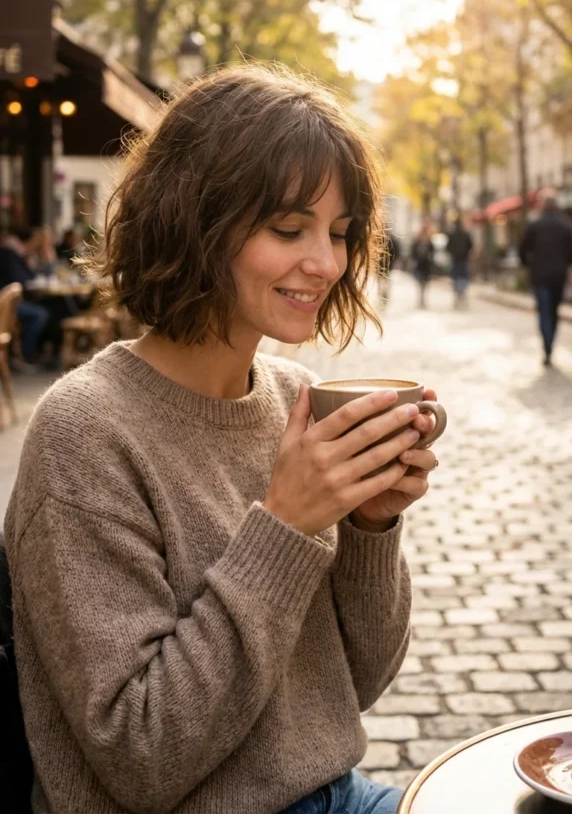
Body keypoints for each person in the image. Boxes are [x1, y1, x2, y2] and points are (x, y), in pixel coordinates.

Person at [5, 67, 441, 814]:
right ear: (195, 219)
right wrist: (286, 525)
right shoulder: (85, 433)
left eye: (339, 234)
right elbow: (140, 756)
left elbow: (353, 685)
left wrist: (370, 525)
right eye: (288, 228)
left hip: (334, 794)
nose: (328, 264)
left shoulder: (286, 401)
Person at [519, 189, 572, 366]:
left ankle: (547, 345)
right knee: (554, 311)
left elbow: (523, 249)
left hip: (540, 276)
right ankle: (550, 344)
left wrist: (527, 265)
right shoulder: (565, 225)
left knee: (544, 312)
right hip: (558, 275)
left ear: (543, 205)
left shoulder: (535, 225)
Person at [0, 232, 49, 364]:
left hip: (18, 300)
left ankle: (37, 352)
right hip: (8, 305)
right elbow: (21, 279)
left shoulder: (24, 256)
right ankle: (24, 355)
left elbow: (32, 276)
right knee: (40, 314)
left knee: (46, 309)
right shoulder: (9, 254)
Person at [446, 216, 473, 308]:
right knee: (463, 278)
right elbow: (470, 245)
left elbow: (448, 247)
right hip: (464, 259)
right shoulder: (466, 234)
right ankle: (462, 294)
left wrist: (453, 253)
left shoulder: (451, 235)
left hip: (455, 260)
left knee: (456, 278)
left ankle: (458, 296)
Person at [410, 221, 434, 309]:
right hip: (419, 266)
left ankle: (423, 300)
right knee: (419, 283)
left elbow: (432, 253)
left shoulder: (430, 243)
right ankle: (420, 300)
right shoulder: (416, 243)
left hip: (426, 266)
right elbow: (413, 253)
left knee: (425, 284)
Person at [377, 229, 401, 308]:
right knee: (380, 283)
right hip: (379, 266)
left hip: (388, 266)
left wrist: (392, 263)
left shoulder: (392, 240)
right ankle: (381, 297)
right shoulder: (378, 239)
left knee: (385, 283)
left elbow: (396, 253)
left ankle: (385, 298)